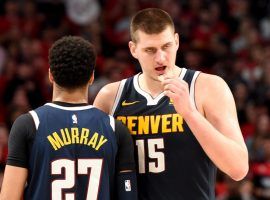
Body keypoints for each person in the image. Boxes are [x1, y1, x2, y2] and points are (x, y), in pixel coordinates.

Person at [94, 8, 249, 200]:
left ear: (176, 41)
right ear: (133, 49)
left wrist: (190, 113)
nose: (160, 58)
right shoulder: (111, 97)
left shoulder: (208, 87)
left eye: (166, 46)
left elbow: (238, 168)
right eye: (150, 50)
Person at [0, 36, 137, 200]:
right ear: (92, 77)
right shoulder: (116, 129)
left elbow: (9, 197)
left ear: (51, 75)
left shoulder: (28, 124)